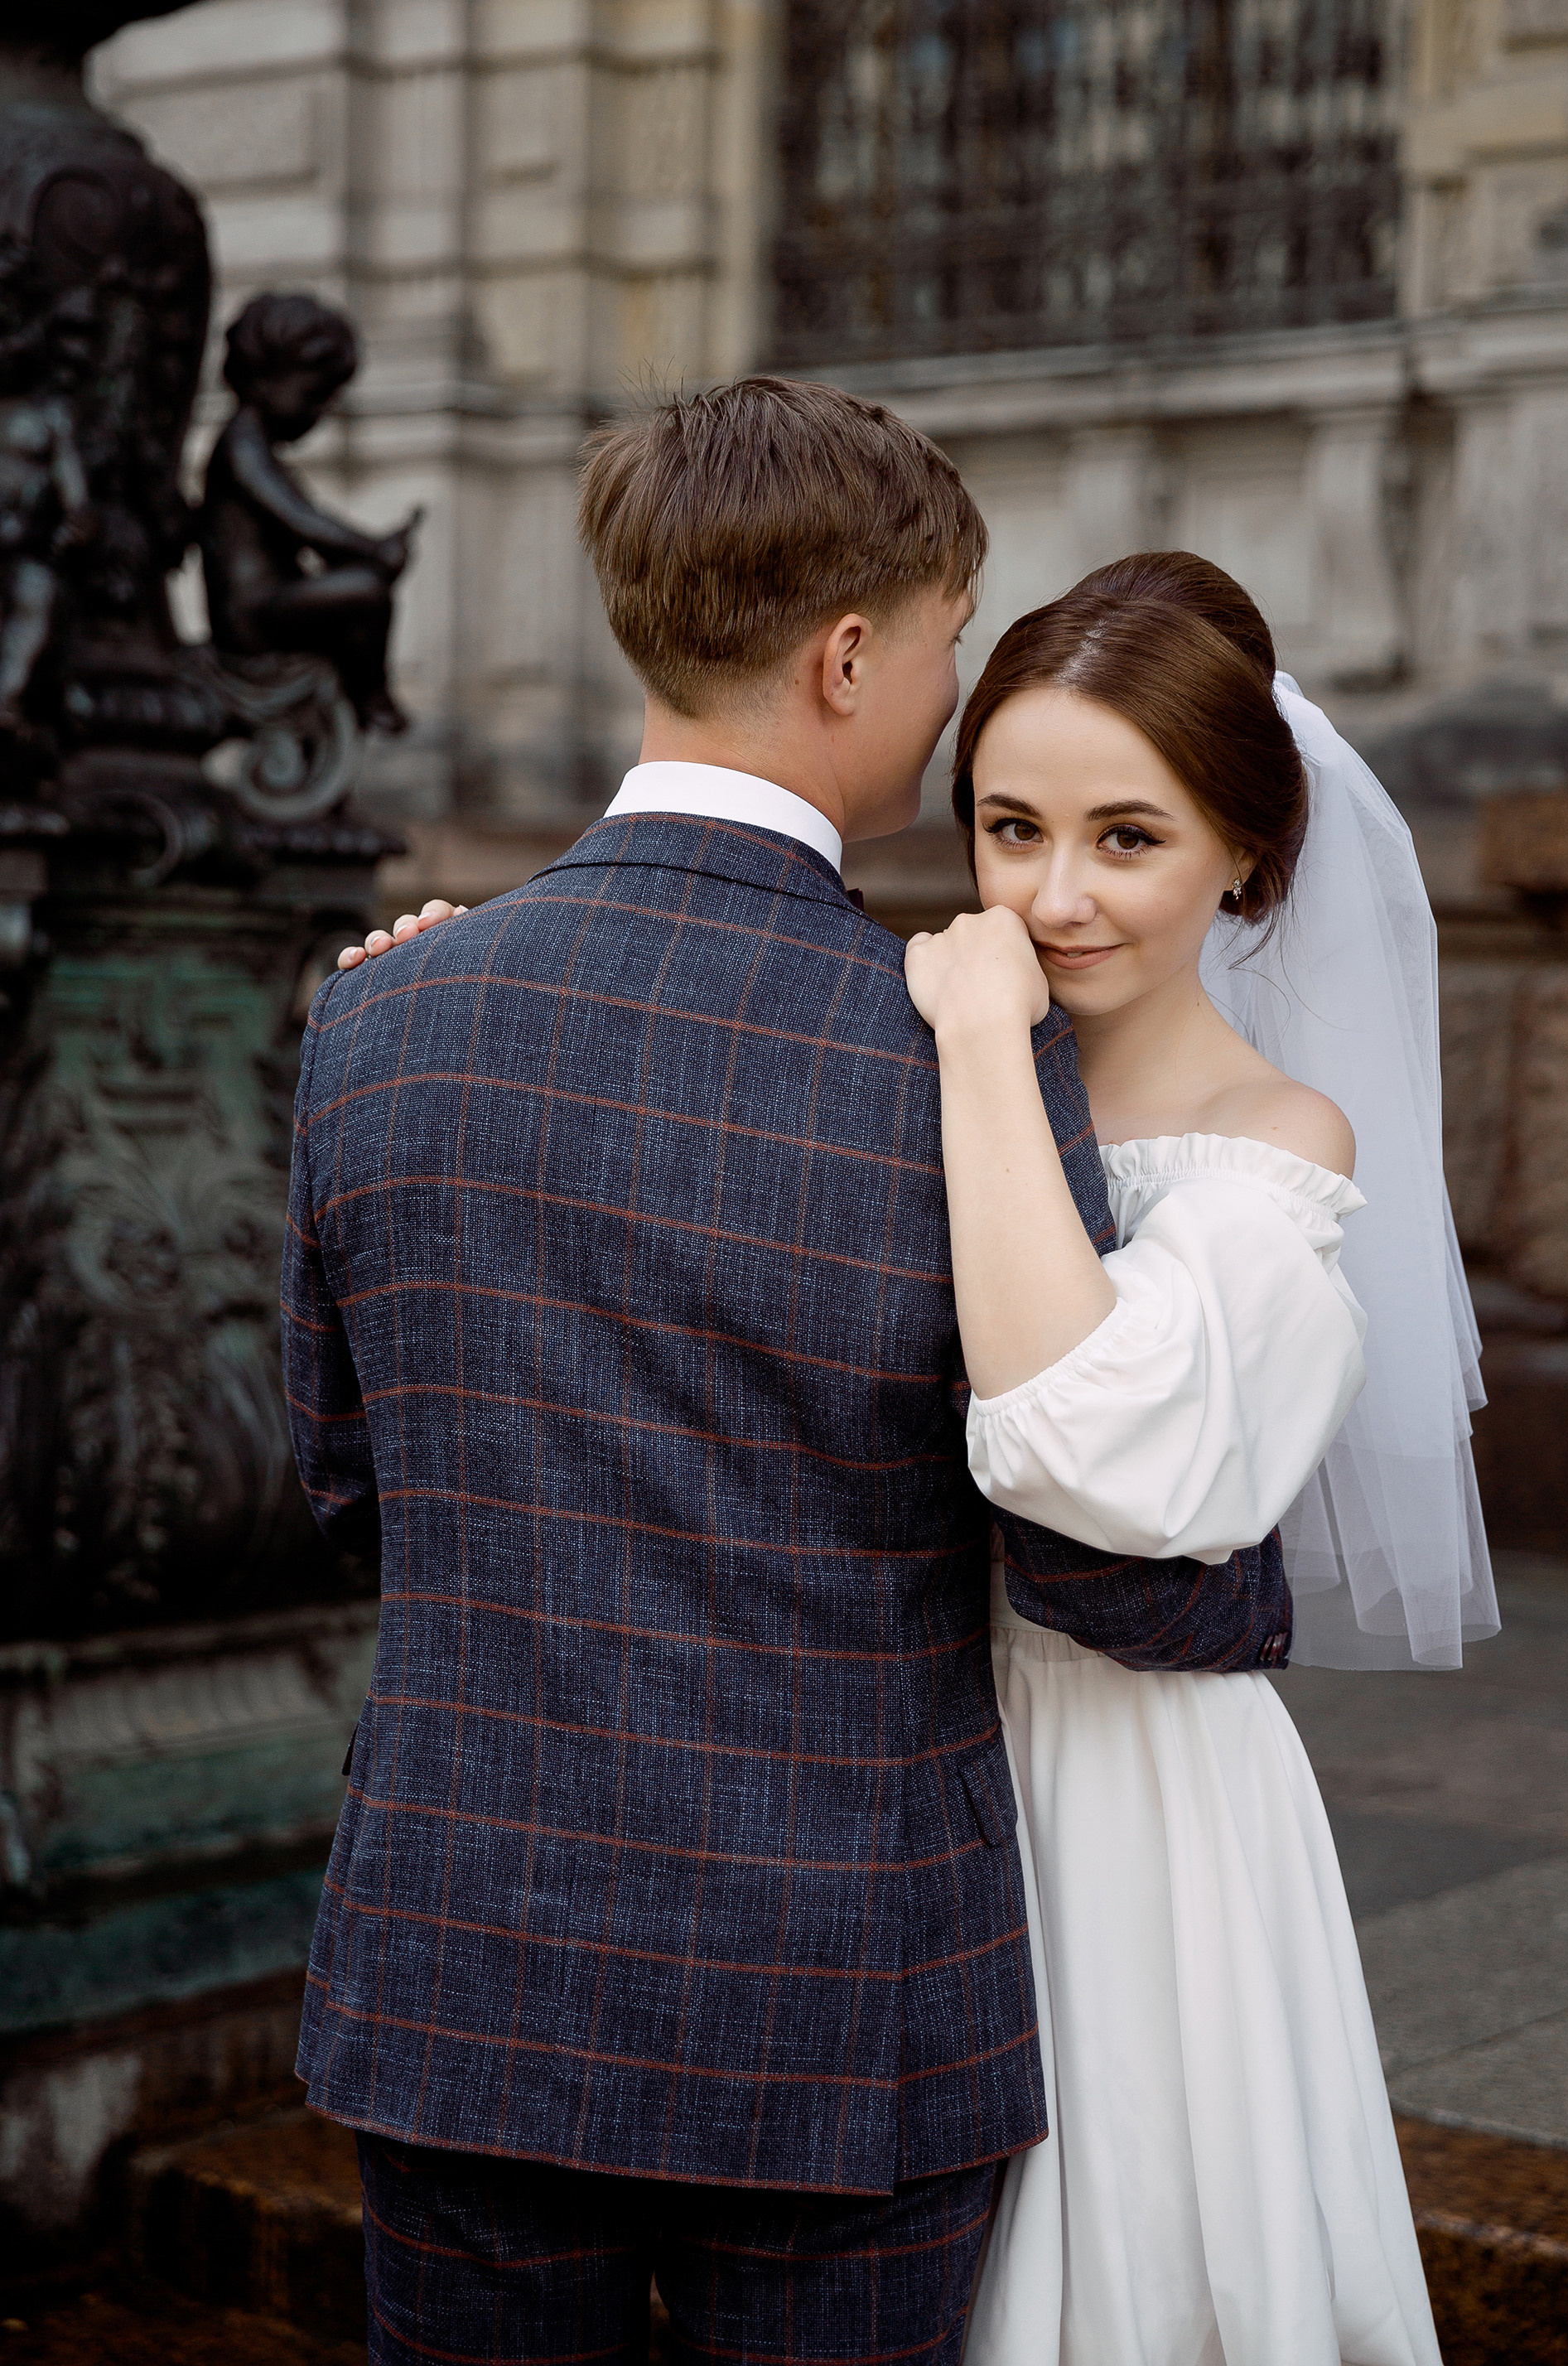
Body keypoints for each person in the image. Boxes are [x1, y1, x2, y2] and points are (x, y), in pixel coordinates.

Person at [359, 546, 1494, 2363]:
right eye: (1010, 828)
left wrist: (977, 1042)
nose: (1054, 896)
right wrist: (462, 1007)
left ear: (1244, 856)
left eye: (1128, 838)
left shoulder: (1275, 1140)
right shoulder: (881, 1036)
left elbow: (1106, 1463)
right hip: (857, 1792)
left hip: (1116, 1795)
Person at [201, 292, 419, 734]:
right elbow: (301, 521)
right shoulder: (242, 446)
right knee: (366, 592)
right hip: (251, 615)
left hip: (272, 601)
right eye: (312, 396)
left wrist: (367, 552)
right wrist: (372, 549)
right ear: (265, 378)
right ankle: (370, 697)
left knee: (360, 584)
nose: (319, 413)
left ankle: (360, 698)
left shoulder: (258, 449)